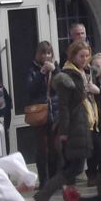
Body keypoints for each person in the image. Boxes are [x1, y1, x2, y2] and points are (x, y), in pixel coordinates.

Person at [35, 41, 101, 201]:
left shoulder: (85, 73)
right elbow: (64, 107)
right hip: (77, 126)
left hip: (89, 123)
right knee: (74, 168)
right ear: (73, 56)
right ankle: (43, 195)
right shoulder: (67, 76)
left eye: (86, 55)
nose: (84, 59)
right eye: (81, 56)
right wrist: (64, 133)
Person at [25, 40, 58, 186]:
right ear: (38, 54)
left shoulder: (55, 68)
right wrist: (42, 73)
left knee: (55, 148)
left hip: (54, 112)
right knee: (42, 148)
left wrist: (55, 71)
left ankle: (54, 178)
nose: (46, 56)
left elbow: (62, 86)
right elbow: (30, 90)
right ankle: (44, 180)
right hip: (40, 112)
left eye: (49, 53)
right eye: (43, 53)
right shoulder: (32, 69)